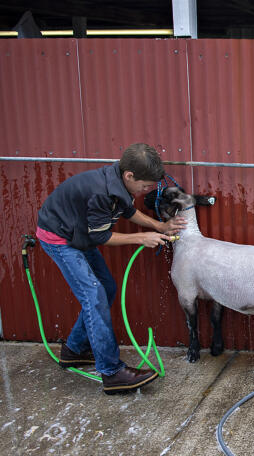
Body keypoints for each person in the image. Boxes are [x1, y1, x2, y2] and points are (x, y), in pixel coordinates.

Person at [36, 143, 186, 395]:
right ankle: (111, 372)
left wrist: (159, 227)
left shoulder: (118, 182)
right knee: (94, 296)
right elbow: (100, 237)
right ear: (129, 176)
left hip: (77, 233)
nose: (146, 191)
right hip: (60, 238)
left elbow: (128, 211)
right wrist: (141, 238)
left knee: (106, 287)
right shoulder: (101, 192)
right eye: (146, 186)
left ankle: (74, 351)